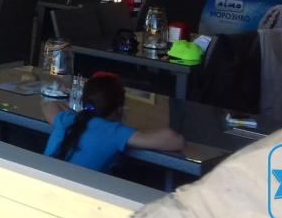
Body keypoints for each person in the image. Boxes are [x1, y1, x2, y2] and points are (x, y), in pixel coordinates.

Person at [42, 73, 184, 172]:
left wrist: (77, 114)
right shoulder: (114, 132)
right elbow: (175, 140)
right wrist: (134, 131)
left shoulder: (67, 120)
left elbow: (50, 105)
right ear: (119, 109)